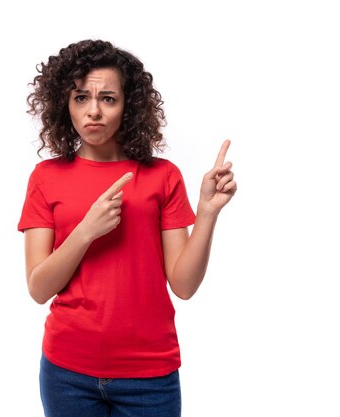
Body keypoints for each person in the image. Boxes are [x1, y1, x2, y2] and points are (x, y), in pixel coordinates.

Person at [17, 39, 237, 417]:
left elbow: (183, 286)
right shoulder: (45, 178)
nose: (93, 111)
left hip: (149, 374)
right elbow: (38, 288)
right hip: (67, 372)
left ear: (128, 106)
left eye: (108, 98)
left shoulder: (162, 176)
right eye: (81, 98)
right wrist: (86, 230)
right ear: (63, 104)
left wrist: (207, 212)